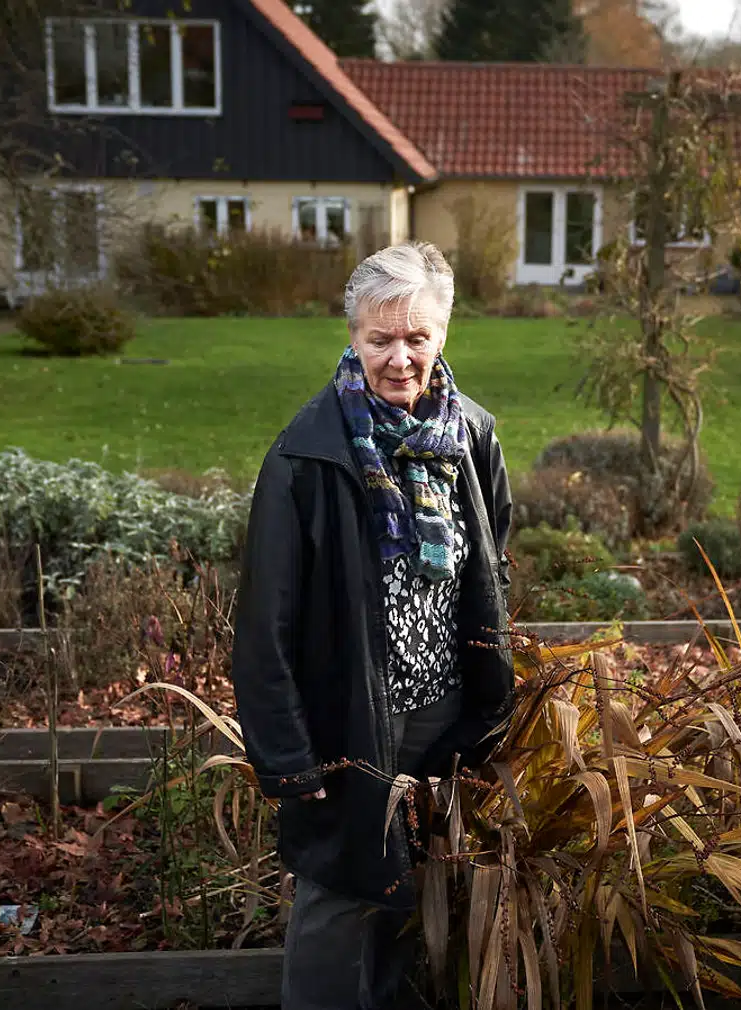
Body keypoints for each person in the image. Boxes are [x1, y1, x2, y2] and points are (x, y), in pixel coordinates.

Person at [230, 241, 515, 1010]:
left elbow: (493, 562)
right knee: (334, 900)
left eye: (416, 337)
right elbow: (264, 627)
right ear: (352, 336)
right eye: (379, 338)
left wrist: (486, 708)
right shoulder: (306, 456)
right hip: (344, 728)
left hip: (444, 722)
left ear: (443, 335)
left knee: (406, 897)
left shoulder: (471, 436)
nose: (399, 358)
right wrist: (290, 761)